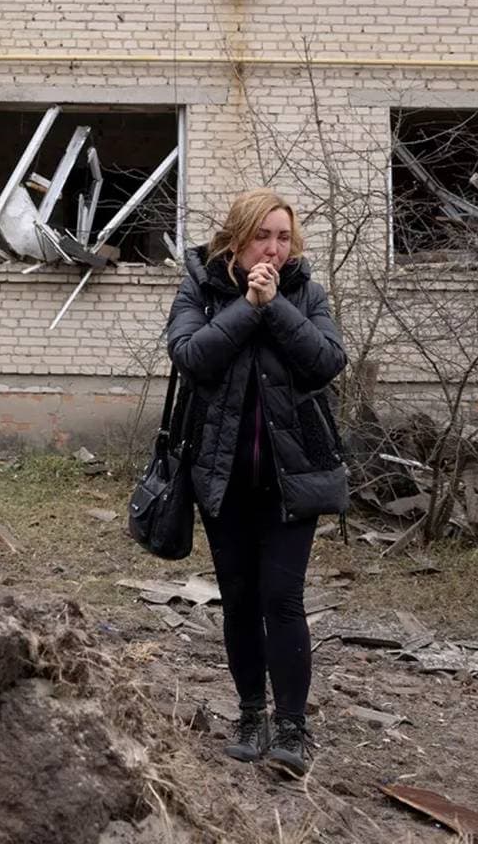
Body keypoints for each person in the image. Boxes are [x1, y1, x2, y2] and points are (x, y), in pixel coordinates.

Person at [165, 188, 348, 778]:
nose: (274, 248)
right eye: (262, 236)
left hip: (292, 478)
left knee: (283, 600)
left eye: (284, 237)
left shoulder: (307, 293)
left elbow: (326, 361)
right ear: (235, 240)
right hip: (223, 479)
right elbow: (190, 356)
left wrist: (275, 307)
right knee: (240, 603)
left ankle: (292, 724)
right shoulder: (201, 287)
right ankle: (250, 715)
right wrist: (247, 307)